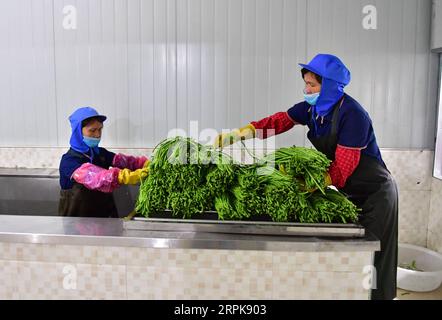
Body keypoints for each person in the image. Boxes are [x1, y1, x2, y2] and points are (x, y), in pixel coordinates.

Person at [214, 54, 398, 300]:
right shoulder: (314, 108)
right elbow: (281, 121)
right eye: (306, 84)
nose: (306, 89)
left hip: (376, 194)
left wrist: (308, 184)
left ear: (330, 86)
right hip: (349, 192)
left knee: (374, 257)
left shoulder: (353, 115)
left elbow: (343, 168)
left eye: (312, 85)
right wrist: (243, 133)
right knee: (353, 258)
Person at [59, 107, 149, 218]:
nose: (97, 135)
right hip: (77, 223)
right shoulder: (69, 161)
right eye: (92, 130)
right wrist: (122, 176)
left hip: (103, 218)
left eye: (100, 129)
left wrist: (144, 164)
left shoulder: (100, 153)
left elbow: (126, 162)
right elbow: (94, 176)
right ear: (78, 132)